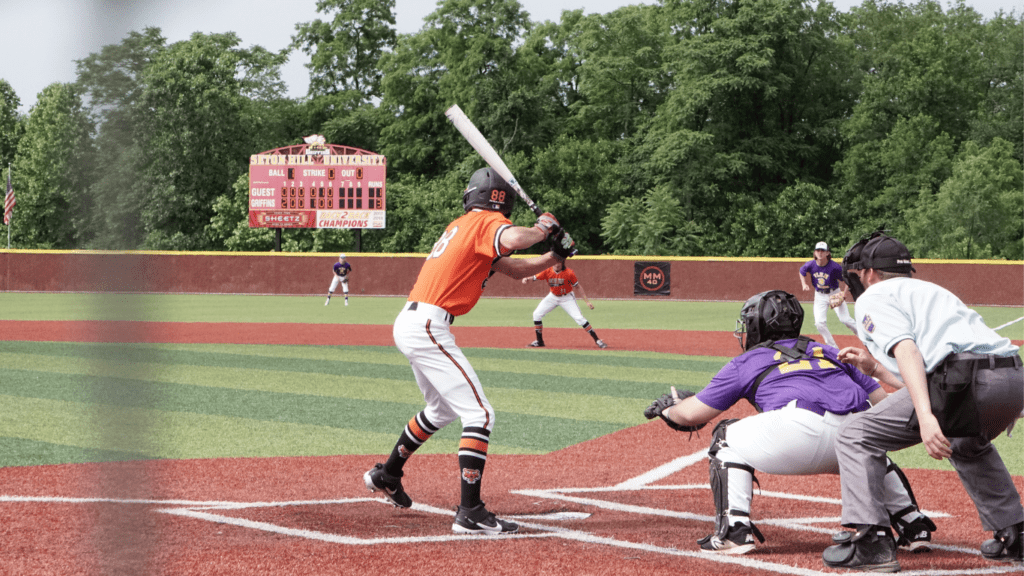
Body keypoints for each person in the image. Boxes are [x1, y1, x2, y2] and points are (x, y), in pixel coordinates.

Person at [363, 167, 576, 535]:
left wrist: (556, 253)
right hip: (429, 324)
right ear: (500, 200)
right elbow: (517, 238)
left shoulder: (464, 225)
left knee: (441, 409)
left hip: (416, 322)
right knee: (480, 415)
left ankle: (388, 473)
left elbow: (514, 268)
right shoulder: (485, 222)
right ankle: (471, 512)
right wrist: (543, 228)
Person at [646, 290, 934, 556]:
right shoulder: (830, 351)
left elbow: (691, 415)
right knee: (866, 443)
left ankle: (734, 531)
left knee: (725, 436)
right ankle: (912, 523)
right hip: (853, 437)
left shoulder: (748, 360)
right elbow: (885, 403)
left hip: (796, 434)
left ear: (758, 326)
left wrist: (668, 410)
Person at [822, 232, 1023, 571]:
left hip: (966, 382)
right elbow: (930, 380)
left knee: (855, 433)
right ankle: (1016, 532)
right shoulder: (933, 291)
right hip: (1012, 378)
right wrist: (876, 371)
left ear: (869, 273)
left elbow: (908, 351)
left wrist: (927, 418)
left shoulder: (875, 294)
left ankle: (871, 543)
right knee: (965, 442)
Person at [521, 261, 606, 349]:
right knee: (536, 314)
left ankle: (597, 340)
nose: (557, 264)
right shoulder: (547, 271)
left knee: (579, 318)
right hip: (553, 297)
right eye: (555, 262)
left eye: (559, 263)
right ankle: (539, 341)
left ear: (562, 263)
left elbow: (578, 286)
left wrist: (587, 301)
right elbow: (535, 277)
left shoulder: (569, 273)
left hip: (567, 298)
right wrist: (527, 279)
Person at [799, 241, 858, 348]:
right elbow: (801, 271)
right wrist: (804, 284)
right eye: (818, 250)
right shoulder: (810, 264)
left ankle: (865, 337)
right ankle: (833, 347)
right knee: (819, 323)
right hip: (820, 296)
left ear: (827, 253)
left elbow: (847, 280)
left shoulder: (834, 267)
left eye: (823, 251)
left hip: (834, 293)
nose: (820, 253)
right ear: (815, 252)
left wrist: (844, 294)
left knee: (845, 319)